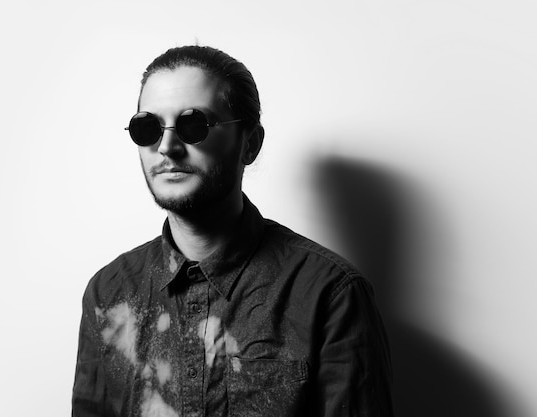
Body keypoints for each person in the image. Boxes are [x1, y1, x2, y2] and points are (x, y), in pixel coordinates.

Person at [72, 45, 393, 417]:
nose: (167, 146)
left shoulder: (330, 295)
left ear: (250, 144)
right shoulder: (108, 293)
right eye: (148, 127)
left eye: (194, 125)